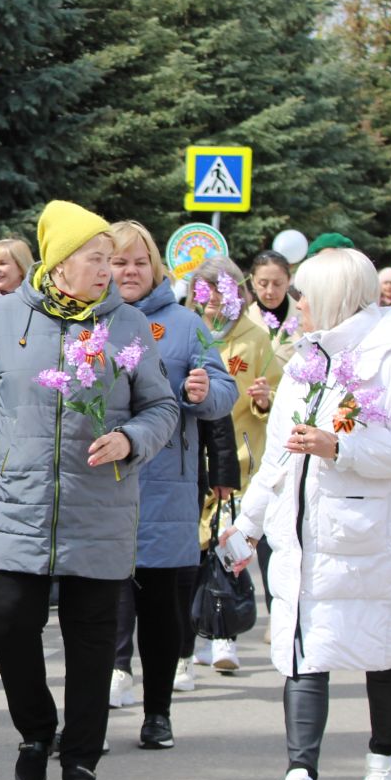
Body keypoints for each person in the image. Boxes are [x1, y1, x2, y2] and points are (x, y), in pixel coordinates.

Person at [0, 201, 178, 780]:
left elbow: (162, 407)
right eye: (95, 260)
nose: (108, 271)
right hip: (17, 501)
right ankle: (36, 733)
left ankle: (82, 759)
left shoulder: (127, 325)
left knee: (92, 637)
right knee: (9, 623)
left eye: (112, 261)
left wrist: (131, 439)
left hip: (101, 507)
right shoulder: (3, 317)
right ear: (60, 264)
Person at [220, 247, 391, 780]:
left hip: (379, 536)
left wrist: (341, 448)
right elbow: (278, 454)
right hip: (305, 536)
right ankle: (300, 777)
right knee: (304, 647)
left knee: (383, 645)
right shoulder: (306, 359)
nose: (296, 303)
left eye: (305, 293)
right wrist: (247, 524)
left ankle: (382, 760)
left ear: (337, 297)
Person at [105, 221, 236, 748]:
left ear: (156, 267)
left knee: (161, 609)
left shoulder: (185, 325)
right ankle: (97, 706)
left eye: (139, 262)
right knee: (102, 606)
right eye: (118, 262)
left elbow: (223, 389)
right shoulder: (86, 323)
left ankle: (157, 713)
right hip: (103, 485)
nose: (129, 272)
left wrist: (205, 391)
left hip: (165, 487)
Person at [189, 255, 282, 673]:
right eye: (204, 292)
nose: (211, 301)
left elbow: (276, 391)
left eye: (219, 291)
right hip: (194, 456)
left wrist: (264, 399)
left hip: (240, 458)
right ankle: (192, 633)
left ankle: (225, 634)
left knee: (230, 550)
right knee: (193, 551)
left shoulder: (255, 337)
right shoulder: (185, 329)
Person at [246, 250, 298, 362]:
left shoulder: (304, 316)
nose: (270, 291)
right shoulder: (244, 319)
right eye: (263, 284)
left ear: (288, 280)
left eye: (277, 284)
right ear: (252, 281)